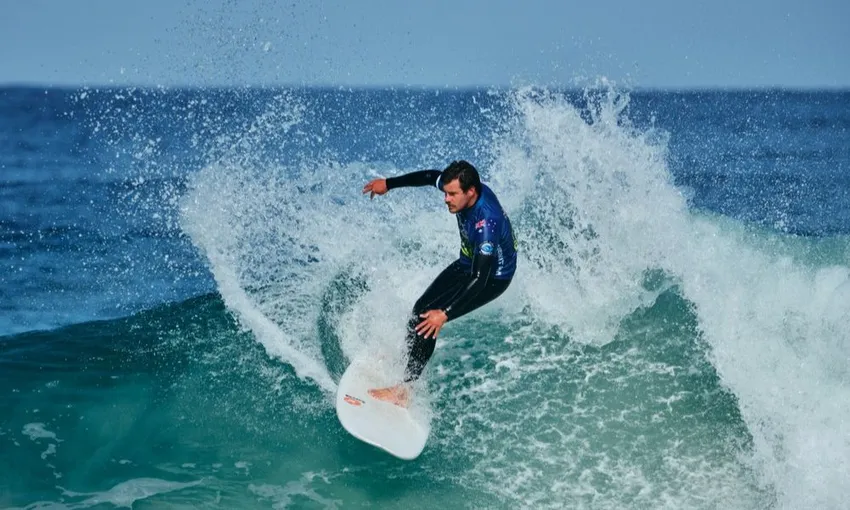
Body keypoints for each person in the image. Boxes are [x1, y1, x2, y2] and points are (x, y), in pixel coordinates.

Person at [361, 160, 517, 407]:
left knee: (429, 319)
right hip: (468, 262)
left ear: (471, 192)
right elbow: (428, 176)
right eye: (445, 192)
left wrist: (445, 314)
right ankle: (407, 359)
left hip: (492, 277)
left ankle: (404, 391)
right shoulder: (464, 188)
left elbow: (479, 279)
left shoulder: (487, 222)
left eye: (452, 194)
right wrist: (388, 184)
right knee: (420, 309)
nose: (446, 199)